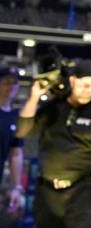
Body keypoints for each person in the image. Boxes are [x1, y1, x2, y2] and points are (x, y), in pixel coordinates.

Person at [16, 60, 91, 228]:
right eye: (84, 84)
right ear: (73, 81)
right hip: (47, 189)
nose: (88, 90)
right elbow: (22, 130)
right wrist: (34, 97)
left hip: (82, 189)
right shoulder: (53, 107)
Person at [0, 67, 24, 214]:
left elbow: (16, 154)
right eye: (6, 82)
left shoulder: (15, 116)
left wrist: (16, 186)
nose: (10, 86)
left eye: (14, 83)